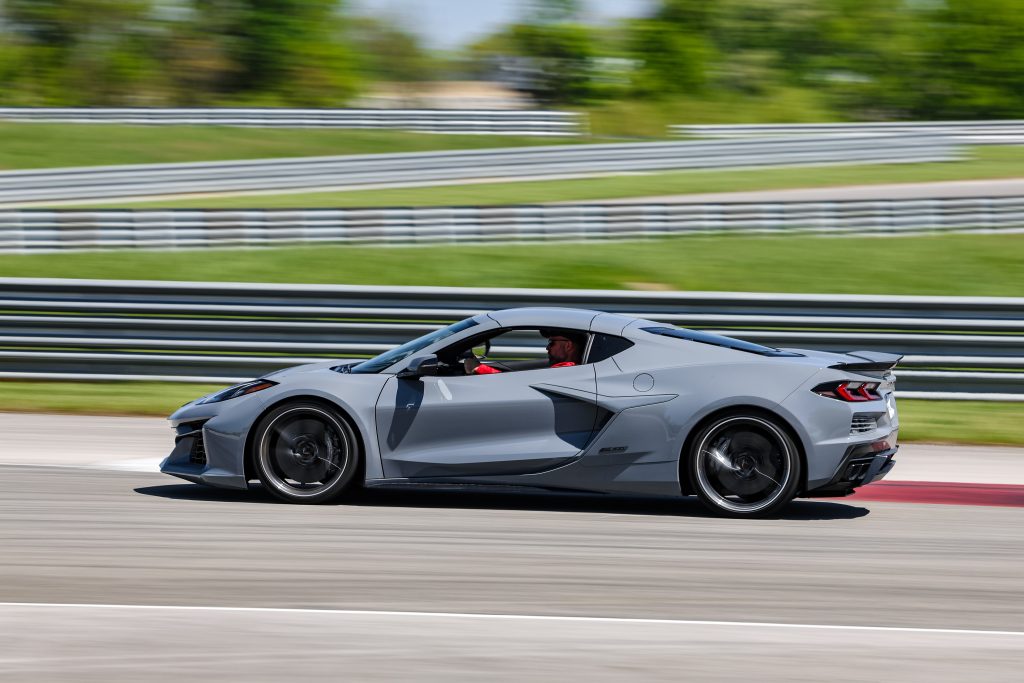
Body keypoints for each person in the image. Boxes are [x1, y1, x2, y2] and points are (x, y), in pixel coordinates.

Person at [471, 329, 584, 375]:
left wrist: (479, 369)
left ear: (568, 345)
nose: (547, 348)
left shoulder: (565, 370)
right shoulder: (569, 369)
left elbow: (519, 385)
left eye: (551, 343)